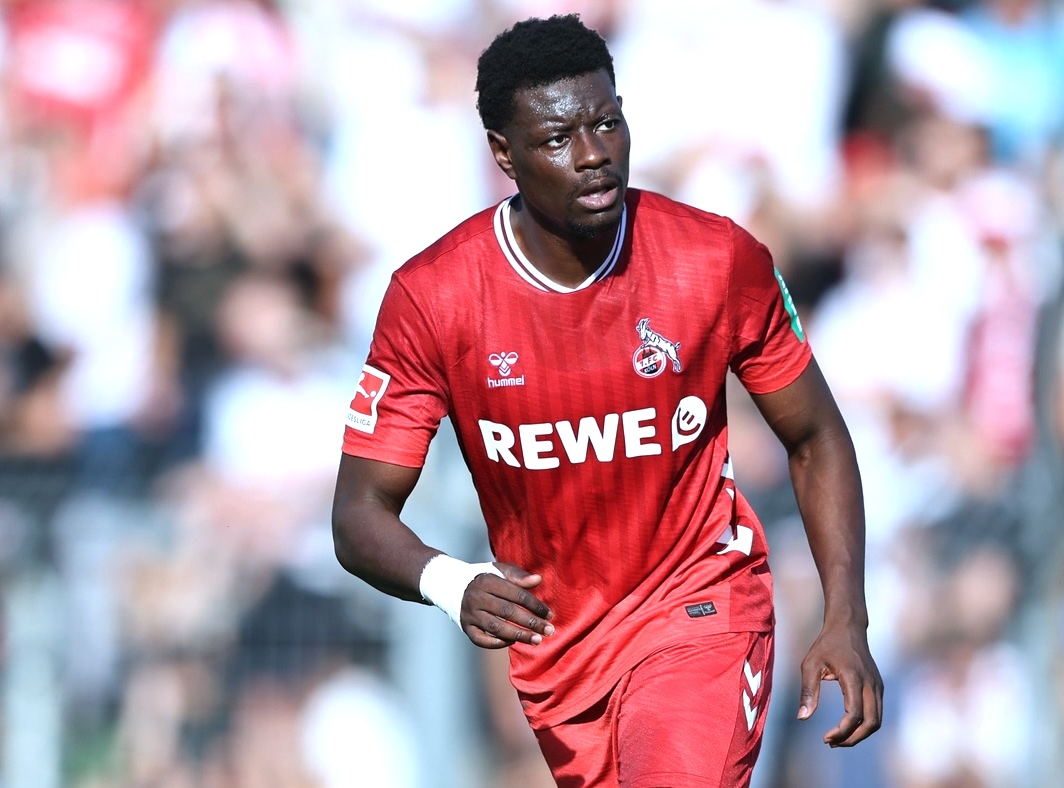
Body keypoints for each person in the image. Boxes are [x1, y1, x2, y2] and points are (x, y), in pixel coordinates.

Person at [331, 14, 882, 786]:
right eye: (558, 138)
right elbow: (359, 512)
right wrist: (450, 581)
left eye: (607, 124)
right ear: (503, 154)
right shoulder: (436, 299)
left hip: (701, 611)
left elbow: (815, 434)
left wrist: (845, 615)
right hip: (561, 658)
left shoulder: (715, 260)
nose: (593, 155)